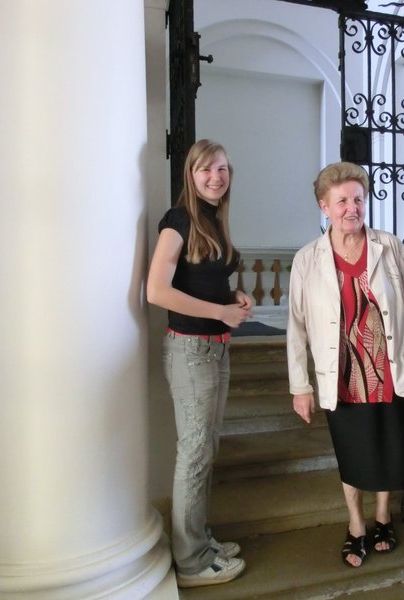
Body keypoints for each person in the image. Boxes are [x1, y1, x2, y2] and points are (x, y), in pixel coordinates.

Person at [287, 161, 404, 568]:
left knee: (389, 449)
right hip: (342, 375)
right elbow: (296, 326)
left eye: (358, 199)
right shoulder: (307, 259)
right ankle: (356, 524)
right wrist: (300, 385)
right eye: (341, 201)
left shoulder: (389, 246)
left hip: (389, 368)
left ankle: (383, 517)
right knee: (352, 453)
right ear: (324, 207)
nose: (351, 208)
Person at [147, 139, 252, 587]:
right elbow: (157, 290)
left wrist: (234, 297)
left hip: (214, 349)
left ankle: (199, 541)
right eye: (206, 169)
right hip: (191, 352)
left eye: (222, 169)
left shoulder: (213, 219)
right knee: (194, 453)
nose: (215, 177)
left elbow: (202, 281)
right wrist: (221, 312)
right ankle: (190, 562)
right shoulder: (179, 220)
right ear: (190, 175)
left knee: (205, 450)